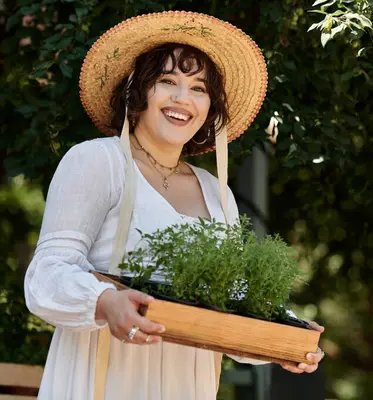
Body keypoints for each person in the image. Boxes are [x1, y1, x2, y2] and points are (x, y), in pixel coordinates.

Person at [24, 11, 324, 400]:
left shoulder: (218, 193)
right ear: (138, 93)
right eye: (167, 81)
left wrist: (282, 339)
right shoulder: (98, 161)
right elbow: (45, 277)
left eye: (199, 88)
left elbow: (230, 310)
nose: (183, 98)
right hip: (107, 376)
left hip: (188, 386)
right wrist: (105, 302)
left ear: (209, 107)